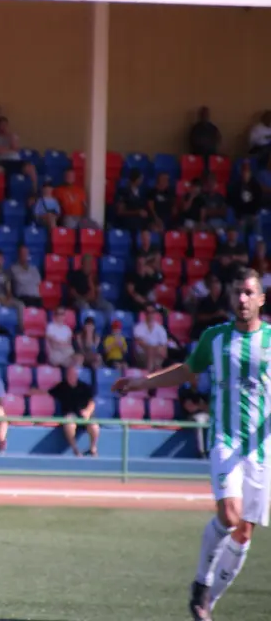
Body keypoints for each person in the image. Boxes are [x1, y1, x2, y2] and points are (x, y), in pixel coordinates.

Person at [112, 266, 271, 621]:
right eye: (237, 292)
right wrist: (141, 383)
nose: (242, 299)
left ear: (261, 299)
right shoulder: (215, 338)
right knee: (229, 516)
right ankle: (201, 583)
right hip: (225, 439)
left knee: (245, 532)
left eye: (249, 293)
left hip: (262, 449)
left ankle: (206, 605)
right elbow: (186, 371)